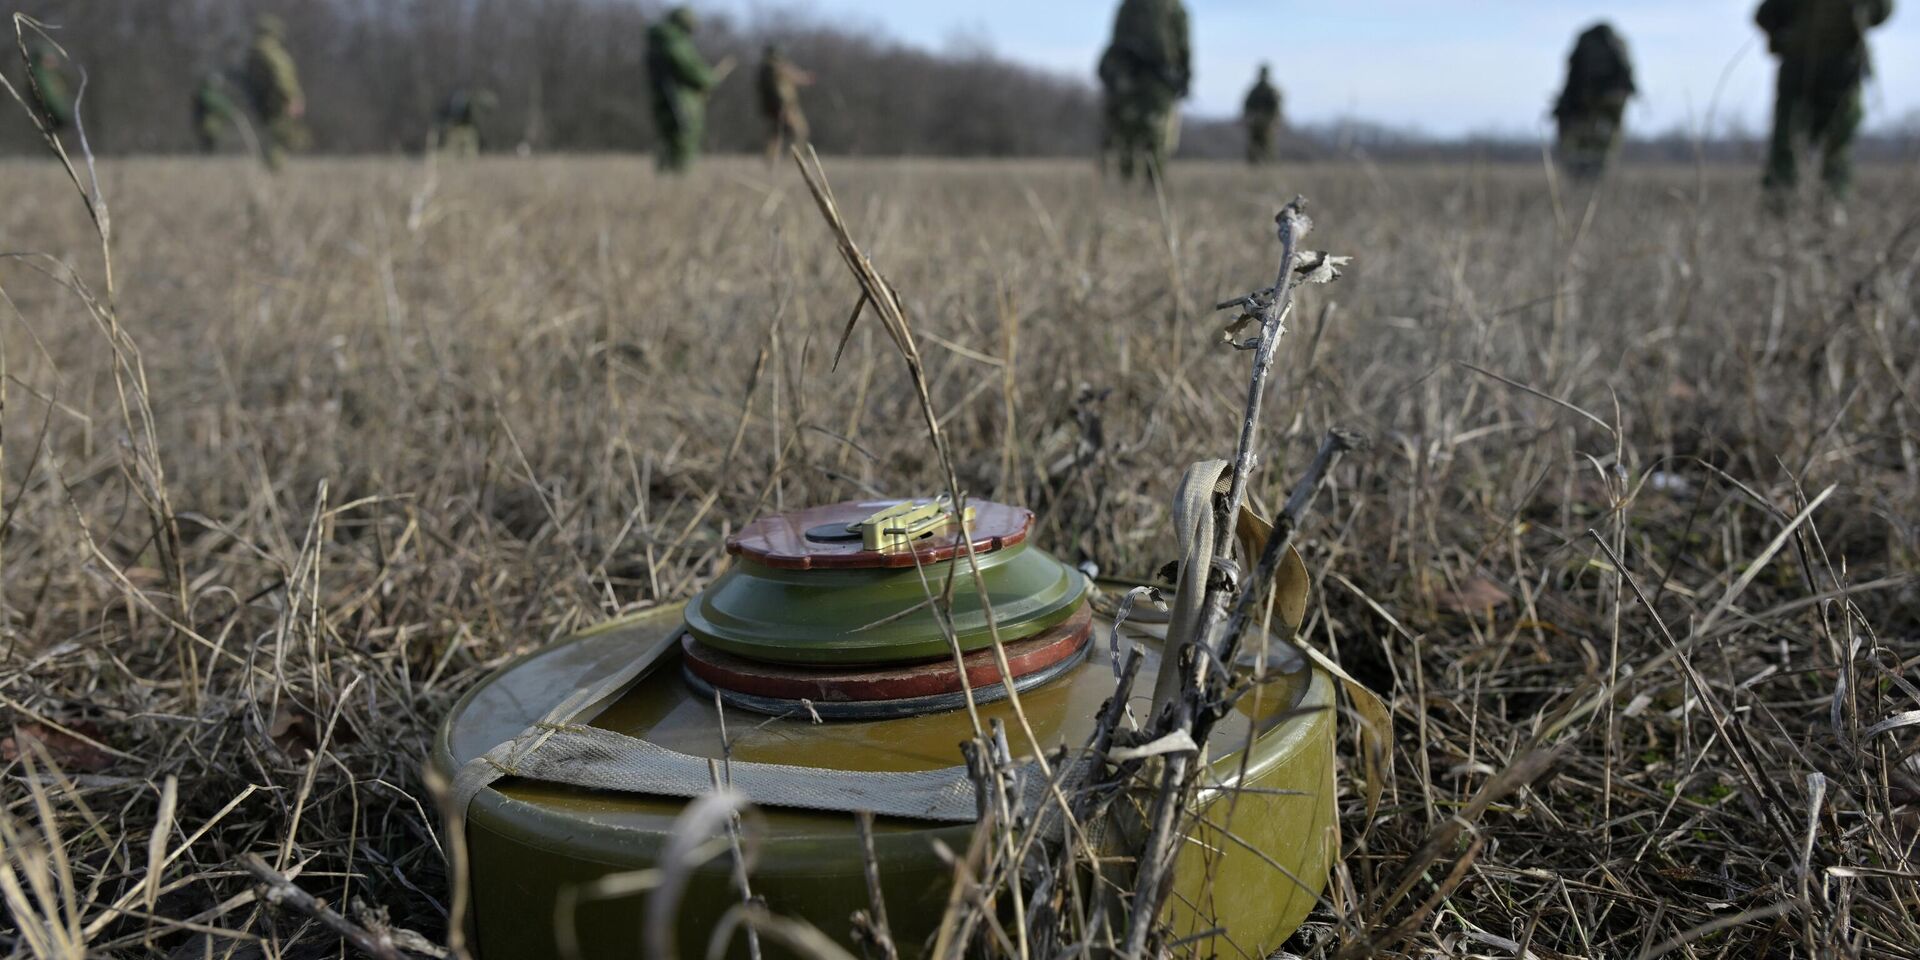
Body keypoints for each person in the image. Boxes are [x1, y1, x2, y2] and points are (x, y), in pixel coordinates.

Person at [1756, 0, 1893, 207]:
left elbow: (1881, 11)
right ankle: (1780, 204)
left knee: (1836, 145)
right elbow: (1764, 15)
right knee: (1787, 143)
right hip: (1798, 73)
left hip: (1841, 72)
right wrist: (1784, 38)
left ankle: (1832, 206)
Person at [1096, 0, 1190, 185]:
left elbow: (1116, 41)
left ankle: (1132, 181)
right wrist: (1186, 75)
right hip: (1149, 80)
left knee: (1131, 132)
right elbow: (1183, 46)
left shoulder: (1130, 5)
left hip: (1138, 78)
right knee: (1153, 132)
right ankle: (1150, 182)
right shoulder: (1172, 6)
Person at [1552, 23, 1636, 180]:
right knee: (1603, 144)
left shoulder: (1585, 43)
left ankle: (1584, 177)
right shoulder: (1618, 44)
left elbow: (1572, 74)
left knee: (1585, 143)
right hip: (1612, 101)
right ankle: (1597, 176)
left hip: (1586, 103)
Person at [646, 7, 716, 174]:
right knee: (683, 139)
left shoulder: (658, 41)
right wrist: (709, 78)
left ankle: (664, 177)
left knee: (668, 139)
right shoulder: (675, 43)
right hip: (681, 100)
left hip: (662, 98)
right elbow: (690, 69)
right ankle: (678, 177)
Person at [243, 14, 308, 171]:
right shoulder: (273, 53)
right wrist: (293, 98)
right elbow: (283, 77)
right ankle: (277, 172)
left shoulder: (252, 54)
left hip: (259, 103)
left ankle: (269, 169)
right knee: (283, 139)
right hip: (278, 102)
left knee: (268, 138)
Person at [757, 44, 814, 164]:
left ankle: (771, 160)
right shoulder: (776, 68)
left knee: (775, 134)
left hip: (773, 108)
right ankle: (795, 159)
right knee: (800, 131)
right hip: (785, 107)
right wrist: (805, 77)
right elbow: (793, 76)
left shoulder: (764, 71)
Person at [25, 39, 75, 136]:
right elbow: (49, 100)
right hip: (52, 119)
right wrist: (61, 116)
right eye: (49, 59)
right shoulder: (40, 78)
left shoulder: (54, 75)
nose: (53, 62)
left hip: (60, 119)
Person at [432, 88, 497, 158]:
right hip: (461, 129)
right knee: (462, 151)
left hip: (457, 127)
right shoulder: (473, 106)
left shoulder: (465, 102)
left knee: (456, 151)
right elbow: (476, 122)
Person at [192, 70, 243, 153]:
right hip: (207, 122)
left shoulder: (214, 94)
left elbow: (223, 104)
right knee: (208, 139)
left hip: (210, 123)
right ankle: (207, 153)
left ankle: (209, 152)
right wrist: (229, 110)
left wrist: (229, 110)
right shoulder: (206, 94)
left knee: (210, 140)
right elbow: (217, 104)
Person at [1241, 64, 1282, 166]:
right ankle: (1256, 165)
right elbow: (1247, 105)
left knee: (1267, 145)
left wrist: (1273, 119)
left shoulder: (1269, 91)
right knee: (1256, 145)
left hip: (1265, 122)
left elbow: (1276, 107)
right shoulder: (1256, 90)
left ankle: (1268, 165)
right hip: (1257, 121)